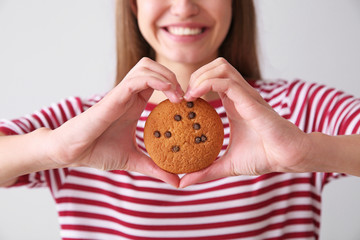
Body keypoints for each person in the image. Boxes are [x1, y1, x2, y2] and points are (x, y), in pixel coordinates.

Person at [1, 0, 360, 239]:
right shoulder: (81, 123)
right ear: (133, 4)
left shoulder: (296, 109)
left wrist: (307, 150)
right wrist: (55, 149)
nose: (185, 7)